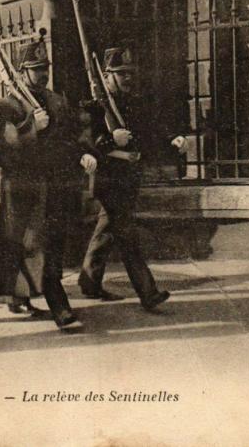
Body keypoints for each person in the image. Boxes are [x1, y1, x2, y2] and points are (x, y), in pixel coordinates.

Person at [0, 40, 98, 328]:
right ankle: (30, 299)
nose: (43, 74)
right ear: (21, 72)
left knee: (50, 245)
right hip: (21, 186)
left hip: (53, 185)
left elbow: (69, 138)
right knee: (20, 243)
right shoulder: (5, 107)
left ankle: (47, 299)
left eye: (45, 68)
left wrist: (83, 154)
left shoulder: (57, 101)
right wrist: (30, 128)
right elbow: (0, 152)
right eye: (36, 69)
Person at [77, 46, 181, 310]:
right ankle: (148, 292)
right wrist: (113, 140)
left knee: (107, 230)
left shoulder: (132, 102)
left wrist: (172, 138)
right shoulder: (94, 106)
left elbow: (150, 129)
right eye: (121, 73)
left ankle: (89, 281)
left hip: (128, 179)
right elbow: (87, 143)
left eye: (130, 73)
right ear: (107, 76)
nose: (128, 78)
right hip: (108, 180)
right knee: (126, 235)